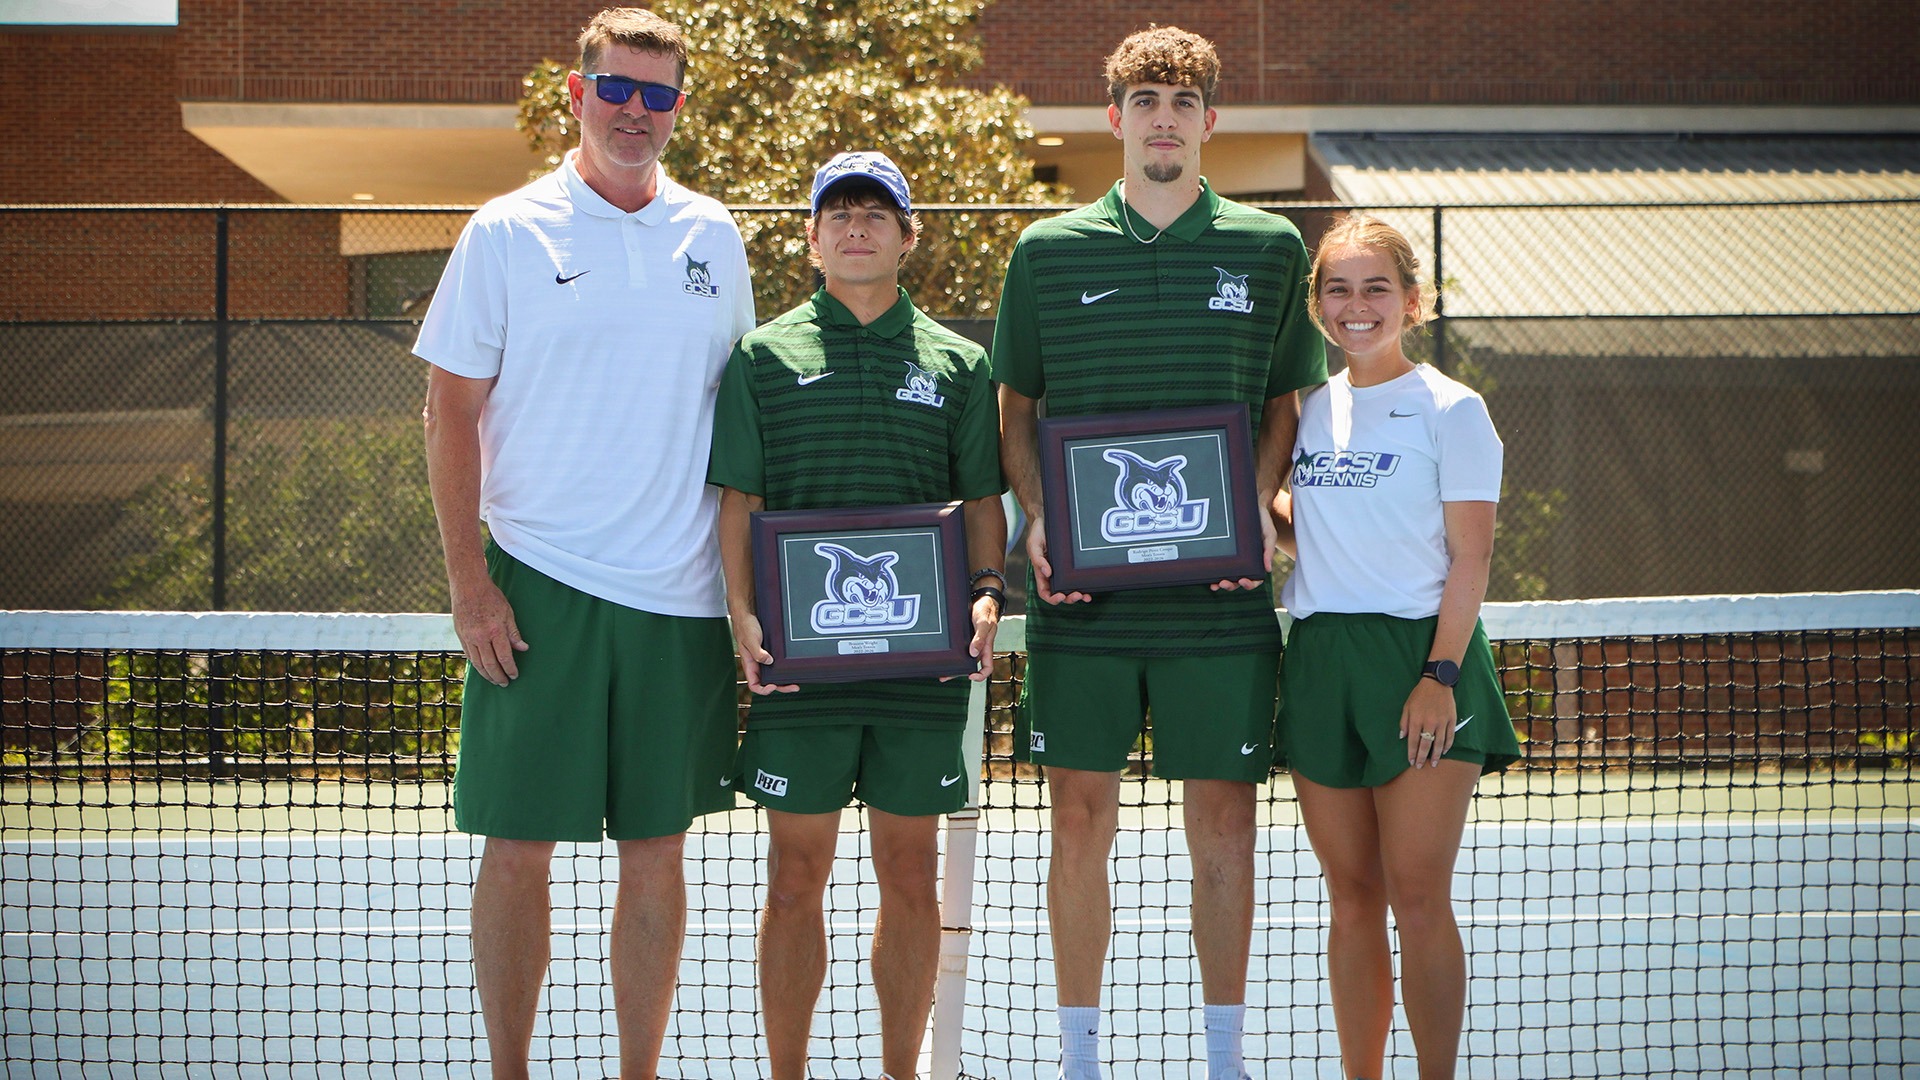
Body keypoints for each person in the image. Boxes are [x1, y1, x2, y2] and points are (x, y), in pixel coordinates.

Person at [413, 9, 754, 1079]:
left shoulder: (716, 235)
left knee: (657, 856)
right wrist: (470, 585)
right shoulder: (507, 231)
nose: (635, 112)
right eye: (617, 88)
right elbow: (448, 411)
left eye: (658, 95)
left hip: (680, 602)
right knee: (519, 854)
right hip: (537, 589)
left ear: (679, 107)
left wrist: (745, 600)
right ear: (578, 91)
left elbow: (739, 423)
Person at [991, 27, 1328, 1080]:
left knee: (1224, 826)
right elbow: (1017, 408)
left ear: (1211, 121)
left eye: (1183, 101)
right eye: (1145, 100)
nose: (1164, 117)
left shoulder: (1271, 248)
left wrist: (1259, 504)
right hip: (1080, 601)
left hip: (1220, 598)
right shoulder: (1048, 251)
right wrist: (1041, 516)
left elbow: (1285, 403)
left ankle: (1224, 1059)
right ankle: (1082, 1058)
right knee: (1079, 821)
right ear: (1116, 119)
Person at [708, 151, 1008, 1080]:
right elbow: (739, 503)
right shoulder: (763, 355)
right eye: (837, 212)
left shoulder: (960, 363)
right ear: (810, 240)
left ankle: (899, 1072)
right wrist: (742, 614)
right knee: (795, 885)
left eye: (876, 213)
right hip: (801, 671)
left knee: (910, 878)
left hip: (920, 671)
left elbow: (983, 499)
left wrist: (990, 591)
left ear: (909, 237)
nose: (856, 226)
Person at [1270, 214, 1522, 1080]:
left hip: (1422, 660)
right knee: (1350, 899)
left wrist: (1439, 676)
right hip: (1319, 661)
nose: (1357, 305)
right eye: (1337, 288)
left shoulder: (1452, 410)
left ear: (1413, 301)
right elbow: (1318, 533)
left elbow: (1473, 556)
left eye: (1377, 287)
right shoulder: (1307, 412)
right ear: (1317, 307)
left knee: (1417, 897)